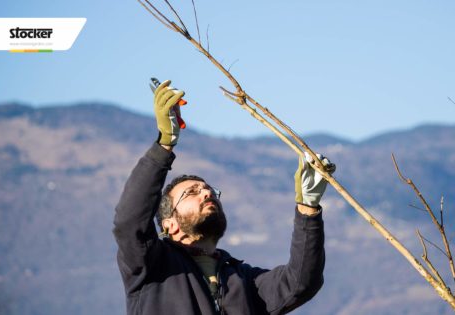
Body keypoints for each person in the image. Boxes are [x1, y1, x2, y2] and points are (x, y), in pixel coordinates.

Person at [113, 79, 335, 315]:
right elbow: (129, 222)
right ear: (170, 225)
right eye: (192, 193)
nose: (207, 192)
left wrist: (308, 208)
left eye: (209, 189)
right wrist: (164, 145)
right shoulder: (152, 266)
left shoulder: (245, 281)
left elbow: (301, 282)